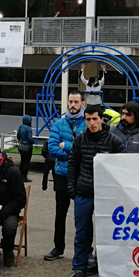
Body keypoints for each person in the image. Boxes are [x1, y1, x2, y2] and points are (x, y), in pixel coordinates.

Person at [64, 104, 125, 277]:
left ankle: (111, 273)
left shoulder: (115, 141)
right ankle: (79, 269)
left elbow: (123, 168)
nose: (91, 123)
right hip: (83, 194)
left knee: (108, 234)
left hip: (106, 197)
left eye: (94, 119)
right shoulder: (80, 140)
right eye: (88, 119)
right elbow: (73, 164)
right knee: (82, 234)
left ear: (102, 119)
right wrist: (72, 189)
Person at [44, 90, 87, 262]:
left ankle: (83, 252)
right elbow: (52, 148)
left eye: (76, 102)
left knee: (82, 215)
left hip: (81, 176)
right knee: (60, 213)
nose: (72, 105)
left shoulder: (87, 123)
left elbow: (86, 150)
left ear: (83, 103)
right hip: (62, 174)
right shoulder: (59, 124)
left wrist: (67, 146)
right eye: (70, 101)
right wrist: (75, 152)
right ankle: (58, 247)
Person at [16, 115, 34, 182]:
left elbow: (18, 136)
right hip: (27, 147)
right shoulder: (28, 128)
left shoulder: (21, 127)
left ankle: (19, 176)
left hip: (21, 146)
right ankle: (24, 177)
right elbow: (29, 138)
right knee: (26, 162)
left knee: (22, 162)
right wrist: (33, 141)